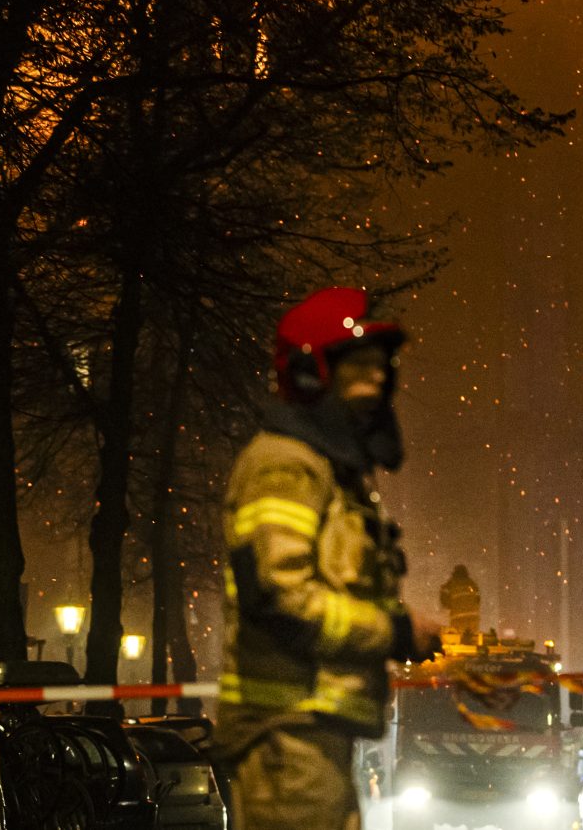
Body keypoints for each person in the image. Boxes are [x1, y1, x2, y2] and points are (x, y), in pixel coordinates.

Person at [216, 286, 442, 830]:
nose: (380, 376)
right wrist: (391, 630)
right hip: (287, 736)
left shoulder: (323, 470)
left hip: (311, 733)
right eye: (359, 362)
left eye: (381, 363)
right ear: (312, 371)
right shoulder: (285, 467)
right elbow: (280, 595)